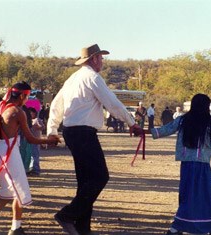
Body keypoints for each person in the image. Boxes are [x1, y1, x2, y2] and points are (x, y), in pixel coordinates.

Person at [46, 44, 143, 235]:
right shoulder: (93, 78)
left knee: (86, 182)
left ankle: (82, 228)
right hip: (83, 133)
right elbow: (112, 102)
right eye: (101, 58)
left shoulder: (72, 79)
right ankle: (66, 215)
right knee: (100, 176)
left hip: (72, 132)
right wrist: (131, 122)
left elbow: (56, 104)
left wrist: (52, 129)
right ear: (95, 59)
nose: (103, 62)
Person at [150, 94, 211, 235]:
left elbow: (166, 129)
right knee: (207, 197)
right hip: (202, 166)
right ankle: (208, 228)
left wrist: (146, 132)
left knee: (188, 195)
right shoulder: (209, 123)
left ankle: (178, 228)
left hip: (187, 165)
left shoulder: (183, 120)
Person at [0, 81, 60, 235]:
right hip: (9, 153)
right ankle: (16, 228)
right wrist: (49, 141)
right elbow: (31, 139)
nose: (27, 100)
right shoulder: (18, 112)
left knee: (8, 193)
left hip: (2, 149)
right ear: (21, 95)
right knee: (20, 191)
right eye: (27, 97)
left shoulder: (0, 105)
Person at [28, 107, 44, 176]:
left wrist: (38, 127)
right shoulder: (29, 121)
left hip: (36, 140)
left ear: (34, 113)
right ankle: (31, 168)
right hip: (31, 140)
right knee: (31, 155)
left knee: (35, 155)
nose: (30, 114)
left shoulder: (37, 119)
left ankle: (36, 170)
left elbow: (42, 127)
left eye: (31, 113)